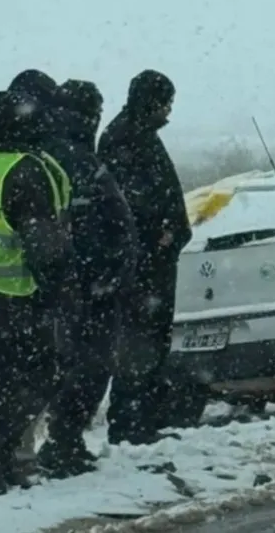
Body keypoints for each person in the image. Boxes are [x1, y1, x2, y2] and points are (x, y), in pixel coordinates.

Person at [0, 90, 74, 495]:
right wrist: (60, 292)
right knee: (43, 372)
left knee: (0, 377)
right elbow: (44, 246)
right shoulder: (25, 170)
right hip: (12, 290)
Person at [35, 79, 138, 478]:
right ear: (90, 115)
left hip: (44, 288)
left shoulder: (37, 155)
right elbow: (119, 224)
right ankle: (64, 442)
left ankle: (47, 443)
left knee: (53, 365)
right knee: (90, 365)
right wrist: (113, 277)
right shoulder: (83, 160)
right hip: (90, 287)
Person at [98, 69, 192, 445]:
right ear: (150, 101)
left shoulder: (138, 135)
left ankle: (144, 419)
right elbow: (128, 204)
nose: (169, 111)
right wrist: (159, 233)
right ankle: (130, 422)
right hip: (143, 266)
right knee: (139, 343)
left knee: (150, 342)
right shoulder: (125, 138)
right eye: (165, 103)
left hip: (152, 263)